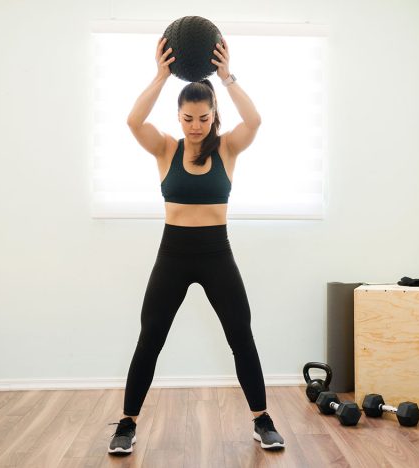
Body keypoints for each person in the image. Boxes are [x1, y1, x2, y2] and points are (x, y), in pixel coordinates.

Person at [107, 36, 285, 455]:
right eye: (188, 118)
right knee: (150, 336)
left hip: (216, 254)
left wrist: (227, 77)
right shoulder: (166, 148)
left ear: (213, 115)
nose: (195, 125)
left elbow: (254, 120)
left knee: (240, 334)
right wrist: (160, 75)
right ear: (179, 116)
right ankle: (126, 424)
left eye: (203, 118)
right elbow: (133, 121)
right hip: (173, 254)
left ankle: (262, 419)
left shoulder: (227, 148)